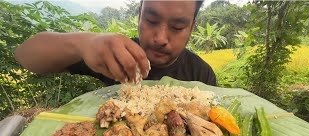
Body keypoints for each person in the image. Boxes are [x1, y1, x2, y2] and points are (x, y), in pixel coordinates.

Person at [15, 0, 217, 86]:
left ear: (191, 27)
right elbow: (25, 55)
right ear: (139, 15)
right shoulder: (114, 54)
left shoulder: (202, 74)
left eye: (177, 27)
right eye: (152, 20)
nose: (160, 38)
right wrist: (84, 44)